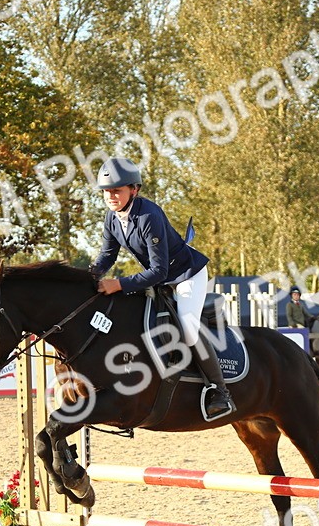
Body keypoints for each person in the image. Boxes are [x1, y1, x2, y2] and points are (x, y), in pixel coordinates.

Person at [90, 157, 235, 419]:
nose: (111, 196)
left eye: (117, 190)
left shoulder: (149, 215)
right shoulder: (112, 219)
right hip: (160, 277)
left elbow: (159, 271)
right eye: (107, 191)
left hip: (186, 275)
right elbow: (107, 257)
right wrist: (87, 277)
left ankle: (220, 391)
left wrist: (118, 284)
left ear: (133, 189)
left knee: (188, 329)